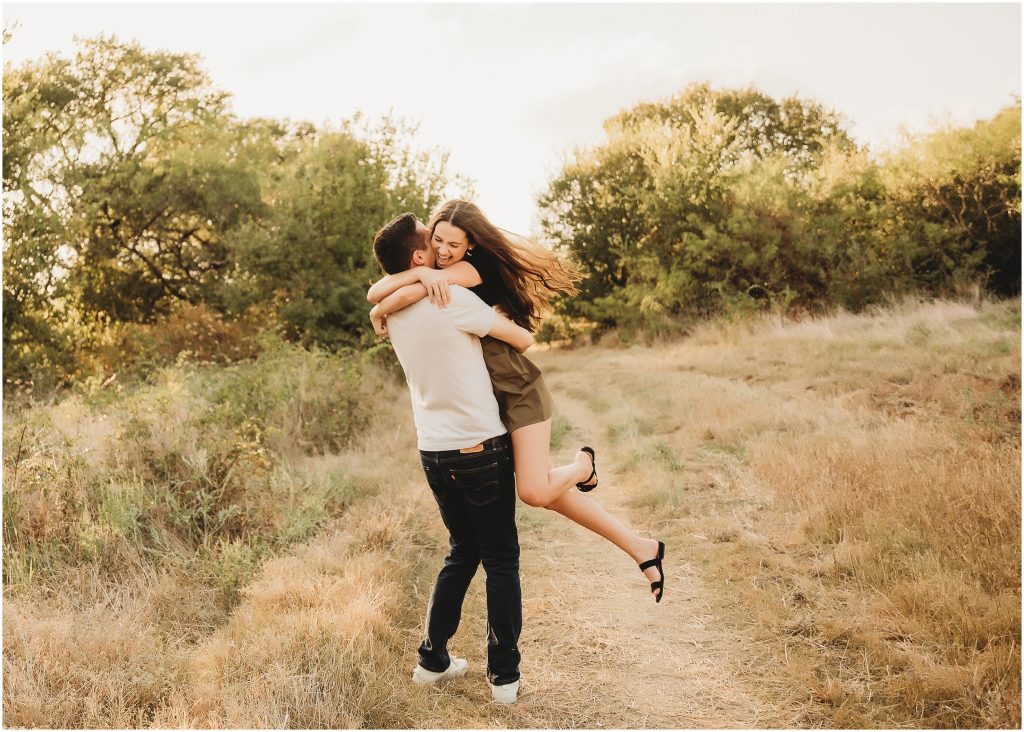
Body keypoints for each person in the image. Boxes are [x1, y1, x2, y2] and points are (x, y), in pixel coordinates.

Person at [367, 201, 666, 604]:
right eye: (436, 238)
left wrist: (393, 297)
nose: (442, 248)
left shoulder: (467, 271)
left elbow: (391, 293)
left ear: (470, 244)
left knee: (535, 492)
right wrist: (397, 292)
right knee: (550, 494)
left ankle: (582, 466)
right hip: (492, 401)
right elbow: (379, 292)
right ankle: (641, 548)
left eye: (452, 243)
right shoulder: (434, 273)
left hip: (519, 390)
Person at [371, 212, 528, 704]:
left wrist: (416, 279)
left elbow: (382, 293)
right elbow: (525, 341)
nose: (437, 245)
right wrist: (498, 323)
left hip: (433, 451)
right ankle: (503, 678)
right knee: (501, 559)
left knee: (462, 551)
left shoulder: (392, 313)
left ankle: (432, 660)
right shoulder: (452, 297)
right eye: (428, 239)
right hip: (480, 446)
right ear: (419, 257)